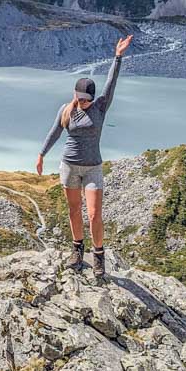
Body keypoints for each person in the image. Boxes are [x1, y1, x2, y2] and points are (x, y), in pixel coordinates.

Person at [36, 33, 133, 277]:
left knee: (93, 214)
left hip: (92, 168)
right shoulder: (67, 109)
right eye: (79, 98)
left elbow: (111, 83)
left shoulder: (100, 107)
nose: (82, 102)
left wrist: (118, 57)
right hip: (69, 166)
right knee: (73, 210)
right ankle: (77, 250)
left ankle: (98, 255)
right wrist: (41, 154)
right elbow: (55, 132)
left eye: (86, 100)